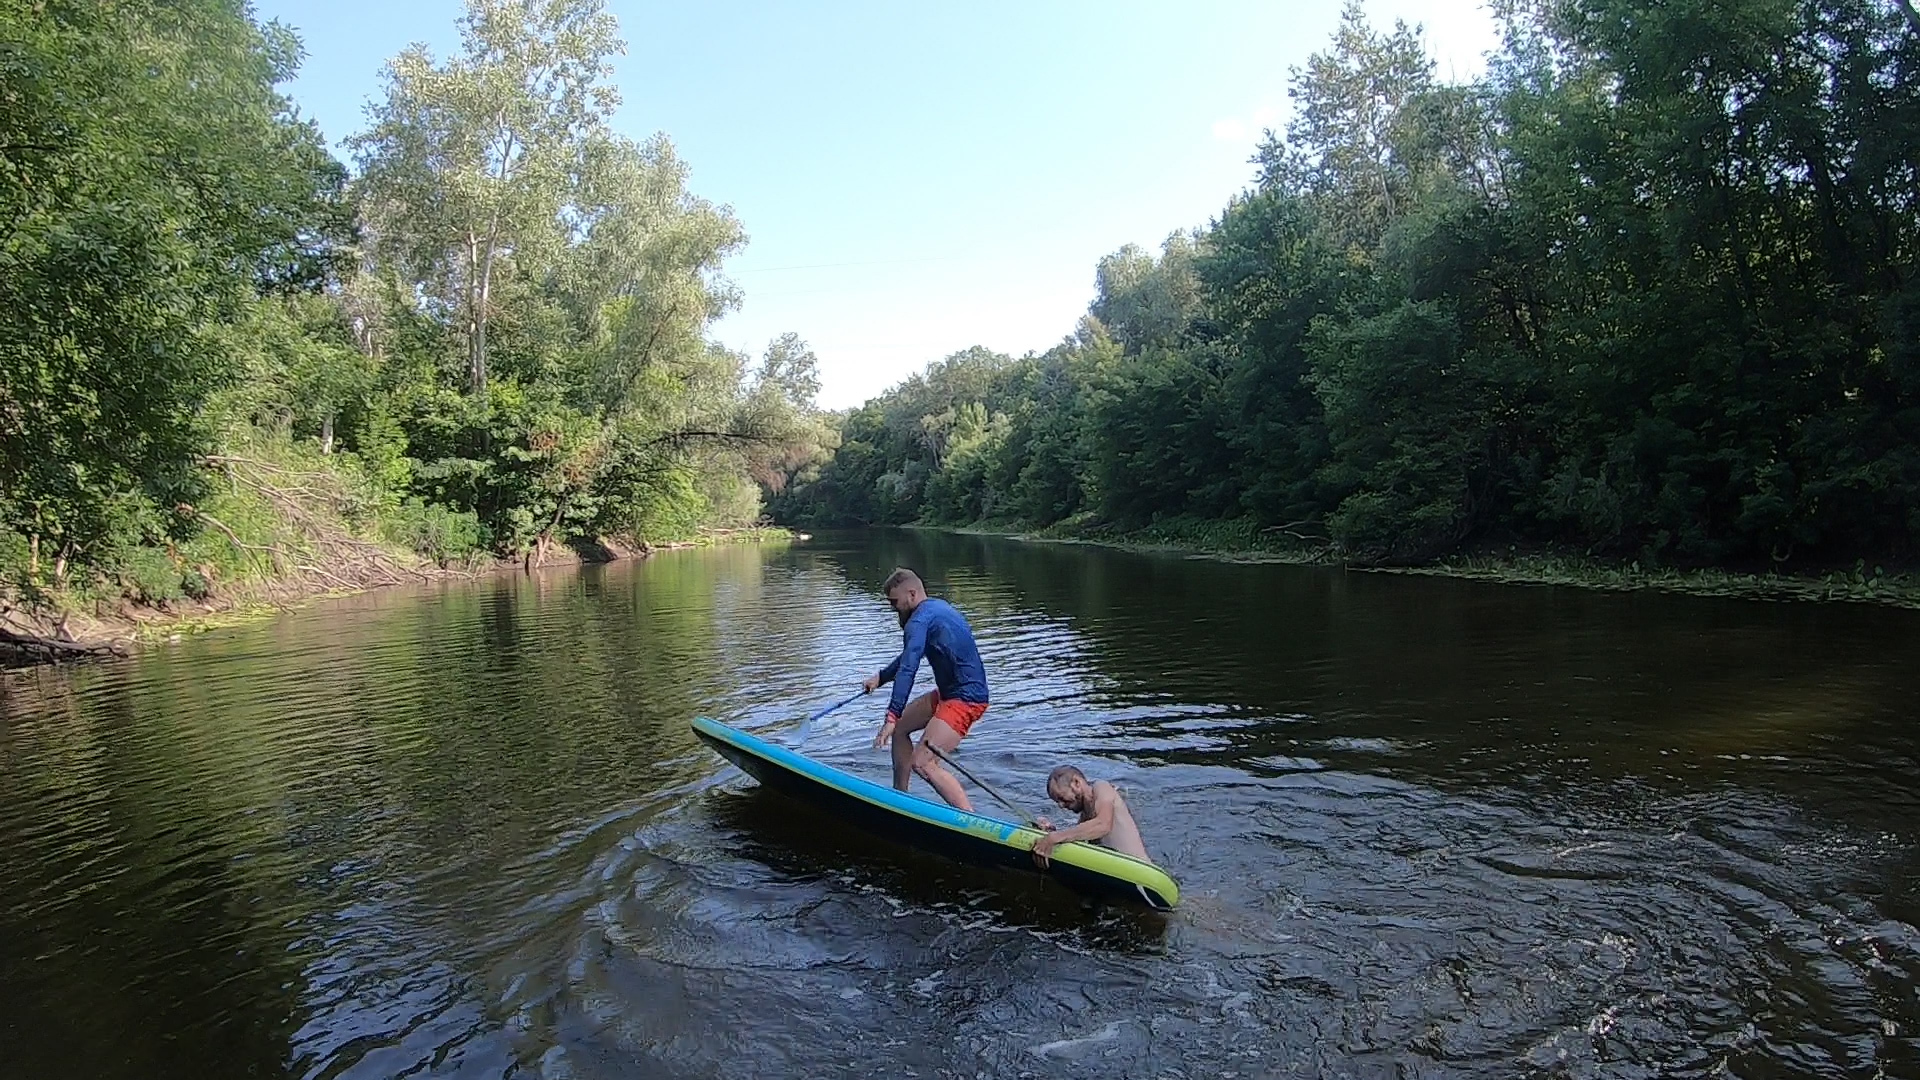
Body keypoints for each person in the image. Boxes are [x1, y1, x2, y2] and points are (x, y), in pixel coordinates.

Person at [860, 567, 990, 811]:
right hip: (949, 694)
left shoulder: (919, 620)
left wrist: (891, 714)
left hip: (967, 700)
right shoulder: (932, 610)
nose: (893, 608)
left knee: (923, 763)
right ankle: (900, 800)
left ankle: (971, 821)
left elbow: (909, 668)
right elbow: (910, 655)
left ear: (911, 594)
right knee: (900, 730)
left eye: (894, 602)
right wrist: (881, 677)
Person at [1030, 765, 1153, 867]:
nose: (1061, 805)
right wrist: (1051, 831)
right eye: (1057, 802)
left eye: (1061, 798)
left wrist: (1055, 837)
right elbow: (1077, 836)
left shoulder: (1102, 787)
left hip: (1142, 870)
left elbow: (1103, 825)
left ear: (1076, 783)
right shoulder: (1086, 816)